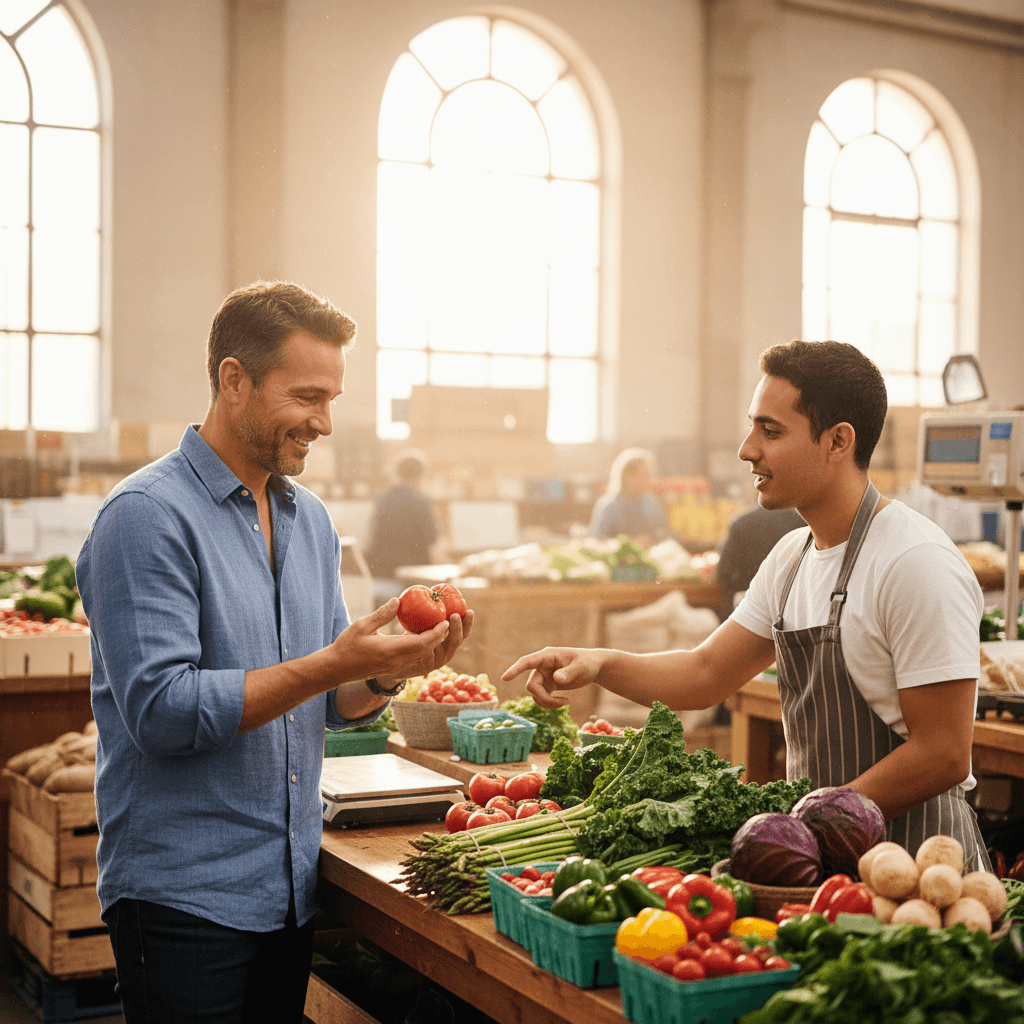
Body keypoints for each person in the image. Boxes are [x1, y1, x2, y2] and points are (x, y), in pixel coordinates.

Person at [76, 281, 473, 1023]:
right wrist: (335, 663)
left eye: (332, 399)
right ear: (234, 381)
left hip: (286, 888)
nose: (324, 421)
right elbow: (162, 713)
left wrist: (387, 670)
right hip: (183, 899)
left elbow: (327, 705)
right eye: (307, 396)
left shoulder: (308, 519)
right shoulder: (145, 518)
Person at [505, 340, 990, 866]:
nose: (747, 449)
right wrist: (598, 662)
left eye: (771, 430)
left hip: (918, 865)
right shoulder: (791, 559)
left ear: (838, 442)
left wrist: (807, 826)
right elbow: (706, 671)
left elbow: (942, 752)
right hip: (820, 859)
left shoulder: (914, 561)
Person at [364, 448, 439, 604]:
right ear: (421, 475)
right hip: (410, 584)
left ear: (397, 473)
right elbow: (434, 547)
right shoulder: (420, 501)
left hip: (378, 577)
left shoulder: (383, 499)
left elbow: (370, 539)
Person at [712, 502, 806, 621]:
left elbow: (723, 572)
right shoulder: (800, 522)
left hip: (749, 608)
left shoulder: (741, 522)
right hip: (793, 608)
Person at [588, 447, 671, 546]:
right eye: (644, 474)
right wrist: (628, 544)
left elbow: (663, 534)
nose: (648, 479)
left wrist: (652, 540)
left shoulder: (651, 503)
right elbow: (596, 540)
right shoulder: (608, 505)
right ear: (628, 475)